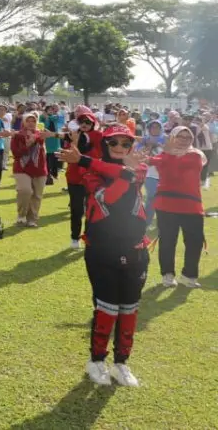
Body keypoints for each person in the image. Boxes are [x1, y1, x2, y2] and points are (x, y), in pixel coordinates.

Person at [57, 125, 149, 387]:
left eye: (125, 144)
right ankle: (96, 361)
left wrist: (87, 159)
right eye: (114, 143)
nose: (120, 148)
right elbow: (109, 197)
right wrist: (120, 171)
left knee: (129, 308)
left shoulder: (136, 167)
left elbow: (124, 173)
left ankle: (121, 364)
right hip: (102, 250)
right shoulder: (91, 173)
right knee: (107, 307)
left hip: (136, 249)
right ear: (105, 145)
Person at [150, 126, 207, 288]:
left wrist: (165, 156)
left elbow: (175, 171)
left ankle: (189, 275)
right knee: (168, 241)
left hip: (192, 205)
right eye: (179, 137)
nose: (184, 140)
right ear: (172, 138)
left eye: (187, 137)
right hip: (166, 205)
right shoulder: (163, 156)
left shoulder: (195, 155)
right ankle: (167, 274)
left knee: (195, 242)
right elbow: (150, 163)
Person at [65, 108, 103, 250]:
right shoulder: (74, 135)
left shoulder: (99, 136)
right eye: (82, 122)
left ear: (93, 123)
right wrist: (74, 141)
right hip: (75, 177)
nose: (85, 124)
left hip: (93, 178)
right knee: (77, 209)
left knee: (91, 209)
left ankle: (88, 236)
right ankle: (75, 237)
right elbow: (71, 154)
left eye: (88, 122)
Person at [11, 112, 52, 227]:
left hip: (39, 168)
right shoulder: (17, 135)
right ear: (23, 122)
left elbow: (39, 139)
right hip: (21, 168)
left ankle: (32, 219)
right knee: (25, 190)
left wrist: (34, 139)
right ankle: (22, 215)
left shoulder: (40, 134)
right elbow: (16, 153)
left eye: (33, 121)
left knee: (37, 196)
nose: (30, 123)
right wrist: (27, 145)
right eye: (28, 121)